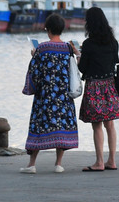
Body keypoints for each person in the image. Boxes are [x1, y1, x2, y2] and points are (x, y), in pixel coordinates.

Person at [20, 13, 79, 174]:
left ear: (49, 30)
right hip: (63, 97)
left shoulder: (42, 48)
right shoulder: (68, 48)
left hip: (45, 97)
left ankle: (32, 164)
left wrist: (34, 57)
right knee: (61, 126)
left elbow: (34, 72)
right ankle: (58, 164)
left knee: (38, 127)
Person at [77, 6, 119, 172]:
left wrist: (78, 55)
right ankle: (112, 161)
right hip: (110, 86)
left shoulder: (88, 44)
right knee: (110, 125)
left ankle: (99, 162)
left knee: (97, 126)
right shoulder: (113, 43)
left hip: (95, 86)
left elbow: (83, 68)